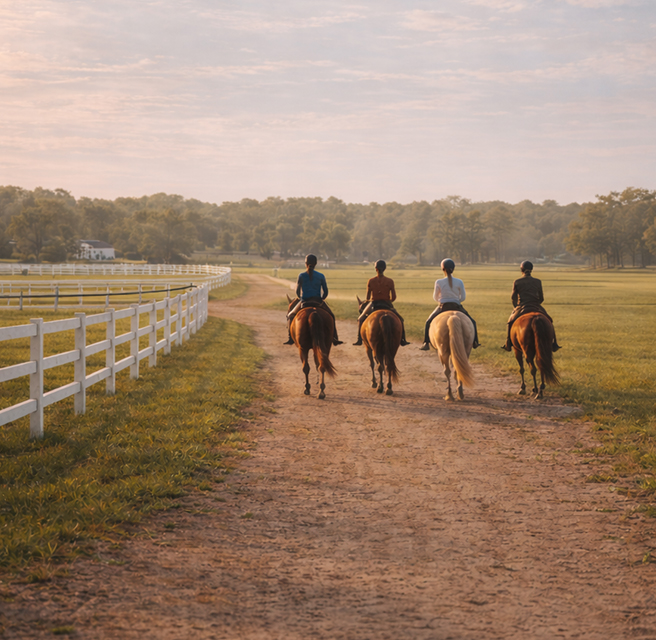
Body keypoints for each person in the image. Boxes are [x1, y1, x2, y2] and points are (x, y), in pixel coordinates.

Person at [419, 258, 480, 351]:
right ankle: (475, 342)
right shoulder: (459, 281)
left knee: (428, 322)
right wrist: (456, 301)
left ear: (443, 269)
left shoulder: (438, 282)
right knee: (473, 322)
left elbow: (435, 297)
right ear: (453, 269)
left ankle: (426, 343)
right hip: (456, 306)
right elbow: (463, 297)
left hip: (443, 306)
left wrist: (442, 300)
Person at [501, 260, 561, 352]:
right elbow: (541, 298)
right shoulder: (538, 281)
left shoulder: (517, 281)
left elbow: (513, 298)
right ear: (531, 269)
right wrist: (536, 303)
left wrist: (516, 307)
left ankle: (508, 342)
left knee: (510, 321)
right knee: (549, 320)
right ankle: (554, 343)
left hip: (522, 306)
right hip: (536, 305)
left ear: (521, 269)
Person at [284, 254, 343, 346]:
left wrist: (300, 297)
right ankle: (335, 337)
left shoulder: (301, 275)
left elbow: (297, 291)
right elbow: (326, 291)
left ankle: (290, 338)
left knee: (290, 315)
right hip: (318, 301)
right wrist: (322, 298)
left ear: (305, 264)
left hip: (304, 302)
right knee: (331, 315)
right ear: (316, 264)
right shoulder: (321, 276)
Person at [353, 259, 409, 346]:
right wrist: (387, 300)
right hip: (387, 304)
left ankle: (359, 339)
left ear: (376, 269)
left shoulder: (371, 281)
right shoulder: (390, 281)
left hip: (374, 304)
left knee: (360, 319)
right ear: (385, 269)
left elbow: (368, 298)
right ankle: (403, 339)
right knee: (400, 320)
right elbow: (393, 297)